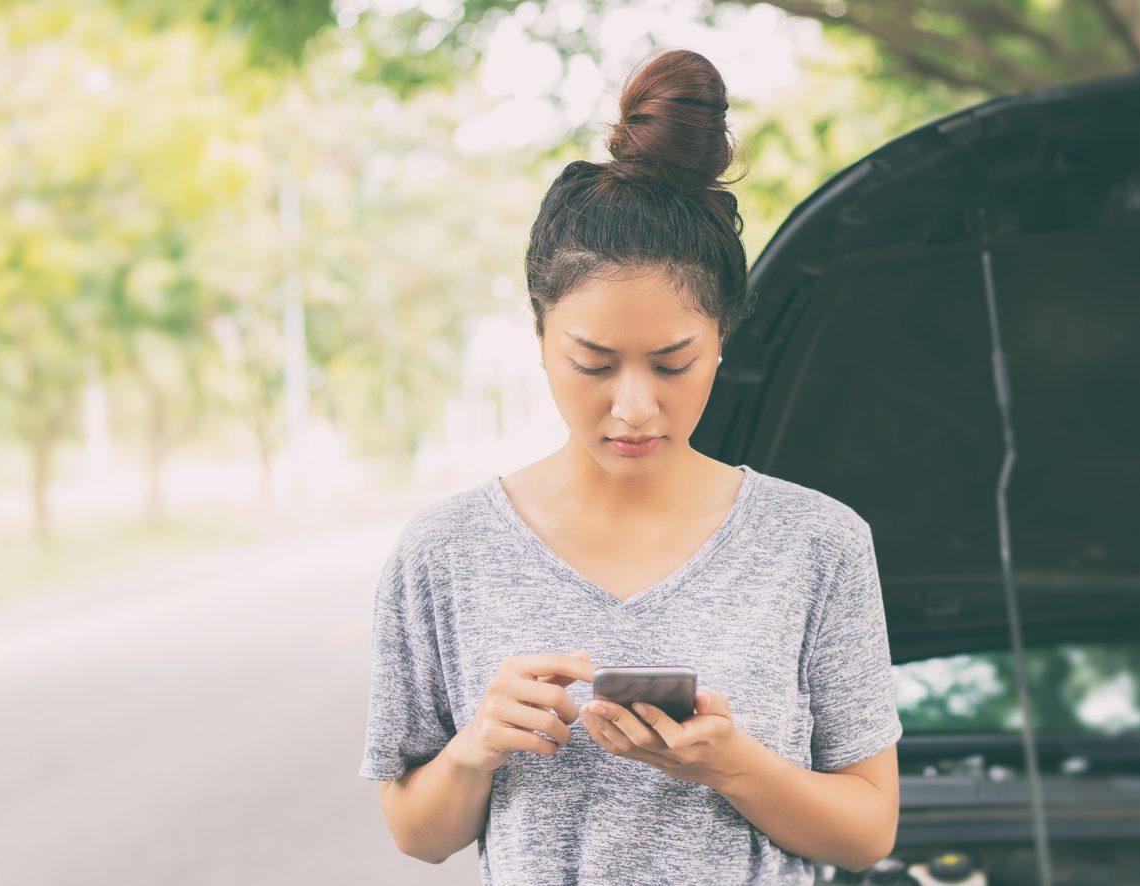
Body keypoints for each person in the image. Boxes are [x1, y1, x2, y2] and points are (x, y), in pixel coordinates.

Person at [360, 47, 904, 885]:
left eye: (673, 362)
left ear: (723, 340)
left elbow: (868, 829)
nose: (635, 406)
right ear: (539, 338)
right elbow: (416, 832)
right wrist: (475, 749)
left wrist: (730, 765)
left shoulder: (817, 543)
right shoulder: (445, 552)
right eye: (594, 362)